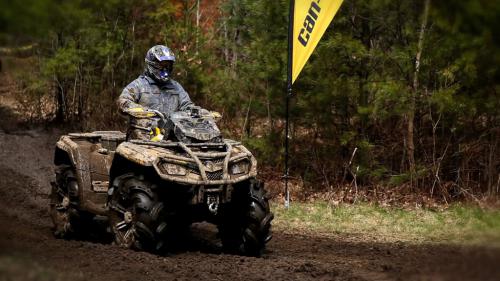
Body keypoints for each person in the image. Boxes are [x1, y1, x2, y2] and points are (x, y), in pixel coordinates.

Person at [118, 45, 195, 140]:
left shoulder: (176, 87)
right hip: (142, 139)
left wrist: (196, 112)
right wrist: (143, 111)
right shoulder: (138, 85)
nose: (165, 69)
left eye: (168, 66)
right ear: (151, 64)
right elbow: (123, 101)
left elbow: (187, 105)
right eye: (161, 66)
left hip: (170, 138)